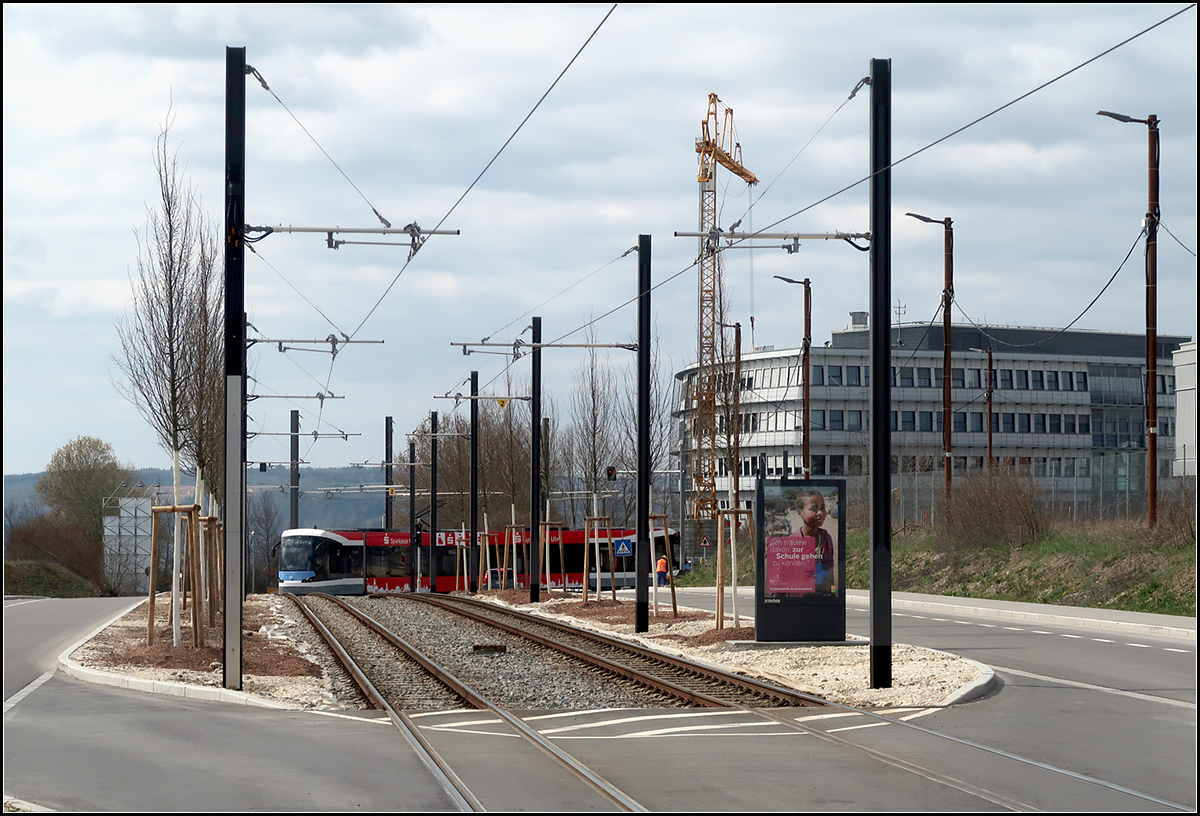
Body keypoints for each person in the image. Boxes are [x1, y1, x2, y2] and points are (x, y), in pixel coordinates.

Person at [797, 491, 836, 594]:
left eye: (822, 508)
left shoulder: (826, 538)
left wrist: (833, 594)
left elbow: (830, 574)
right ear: (799, 512)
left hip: (823, 599)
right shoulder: (792, 543)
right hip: (799, 601)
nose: (820, 513)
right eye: (814, 508)